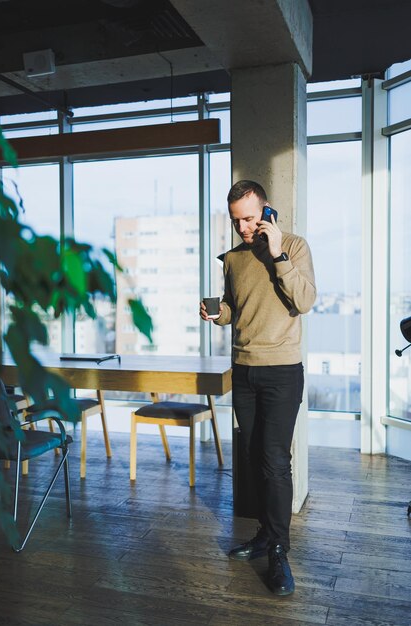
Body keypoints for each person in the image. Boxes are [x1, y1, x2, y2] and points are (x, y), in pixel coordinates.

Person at [200, 180, 316, 596]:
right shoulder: (232, 258)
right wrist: (218, 314)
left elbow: (303, 301)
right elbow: (235, 308)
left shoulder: (294, 247)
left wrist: (277, 252)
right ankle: (266, 535)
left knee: (273, 460)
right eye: (236, 221)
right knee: (252, 456)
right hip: (244, 372)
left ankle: (280, 553)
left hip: (283, 371)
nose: (244, 229)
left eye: (249, 219)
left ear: (266, 211)